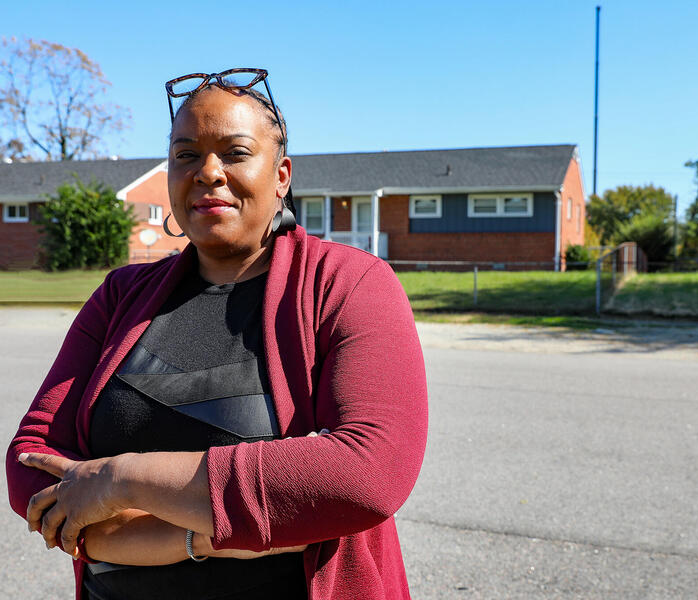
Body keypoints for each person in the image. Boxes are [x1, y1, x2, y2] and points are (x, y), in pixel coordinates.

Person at [6, 69, 428, 600]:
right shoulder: (120, 296)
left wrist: (119, 481)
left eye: (235, 152)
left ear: (281, 175)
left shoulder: (348, 283)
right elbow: (31, 462)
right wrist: (207, 538)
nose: (207, 172)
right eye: (186, 155)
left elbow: (367, 474)